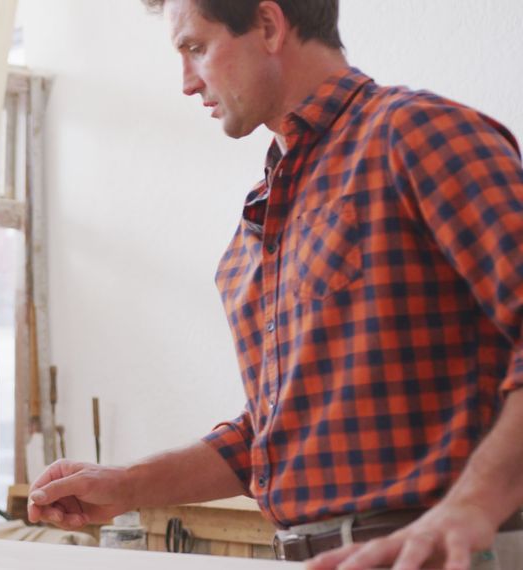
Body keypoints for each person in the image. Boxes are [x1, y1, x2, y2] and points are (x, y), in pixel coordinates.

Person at [27, 1, 523, 568]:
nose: (187, 84)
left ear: (268, 24)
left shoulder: (415, 135)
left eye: (196, 48)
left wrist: (475, 505)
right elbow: (271, 438)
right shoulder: (257, 227)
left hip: (444, 552)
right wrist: (125, 484)